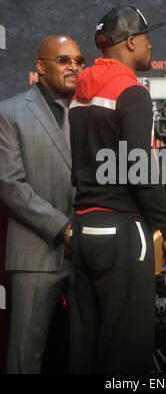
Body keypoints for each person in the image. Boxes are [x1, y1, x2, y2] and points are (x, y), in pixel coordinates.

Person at [68, 6, 166, 374]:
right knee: (127, 351)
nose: (151, 46)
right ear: (130, 42)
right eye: (147, 38)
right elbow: (139, 172)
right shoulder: (131, 91)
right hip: (122, 230)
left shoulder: (81, 90)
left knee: (85, 345)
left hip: (83, 228)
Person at [0, 35, 84, 374]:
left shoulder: (89, 110)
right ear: (40, 66)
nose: (74, 67)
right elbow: (10, 185)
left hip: (88, 252)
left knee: (86, 354)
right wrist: (63, 228)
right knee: (25, 357)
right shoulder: (9, 112)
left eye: (79, 61)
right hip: (35, 251)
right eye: (64, 60)